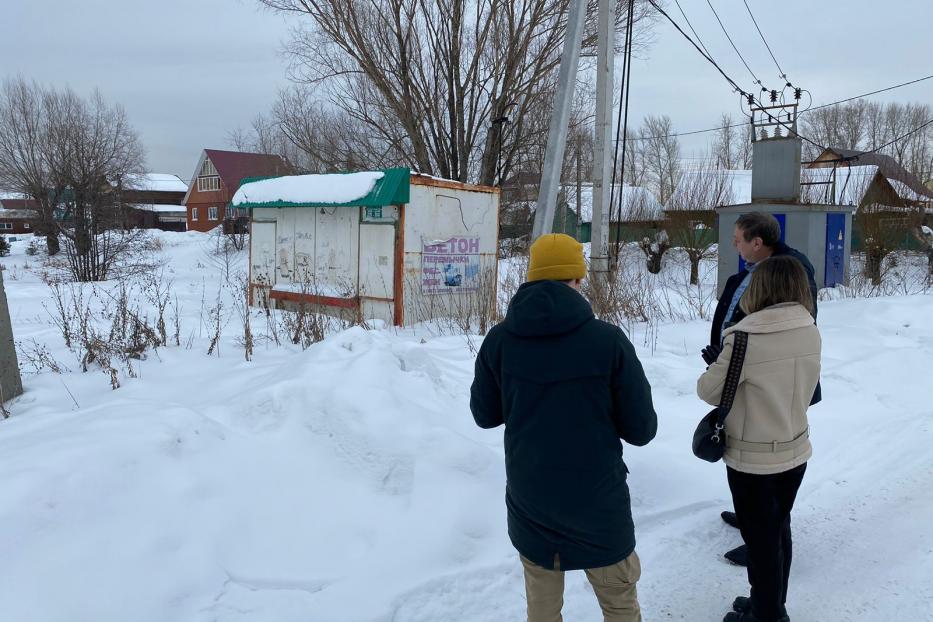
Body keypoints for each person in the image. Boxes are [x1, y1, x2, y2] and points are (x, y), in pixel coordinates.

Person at [470, 233, 657, 622]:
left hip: (531, 499)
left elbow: (485, 415)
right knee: (620, 607)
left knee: (542, 611)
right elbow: (642, 429)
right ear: (576, 279)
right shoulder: (607, 341)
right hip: (599, 504)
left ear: (532, 277)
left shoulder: (500, 340)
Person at [697, 255, 821, 622]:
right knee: (779, 530)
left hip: (753, 458)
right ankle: (771, 604)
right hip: (796, 447)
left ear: (759, 289)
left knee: (760, 542)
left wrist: (721, 360)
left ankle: (767, 616)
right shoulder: (809, 328)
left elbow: (708, 391)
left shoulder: (745, 338)